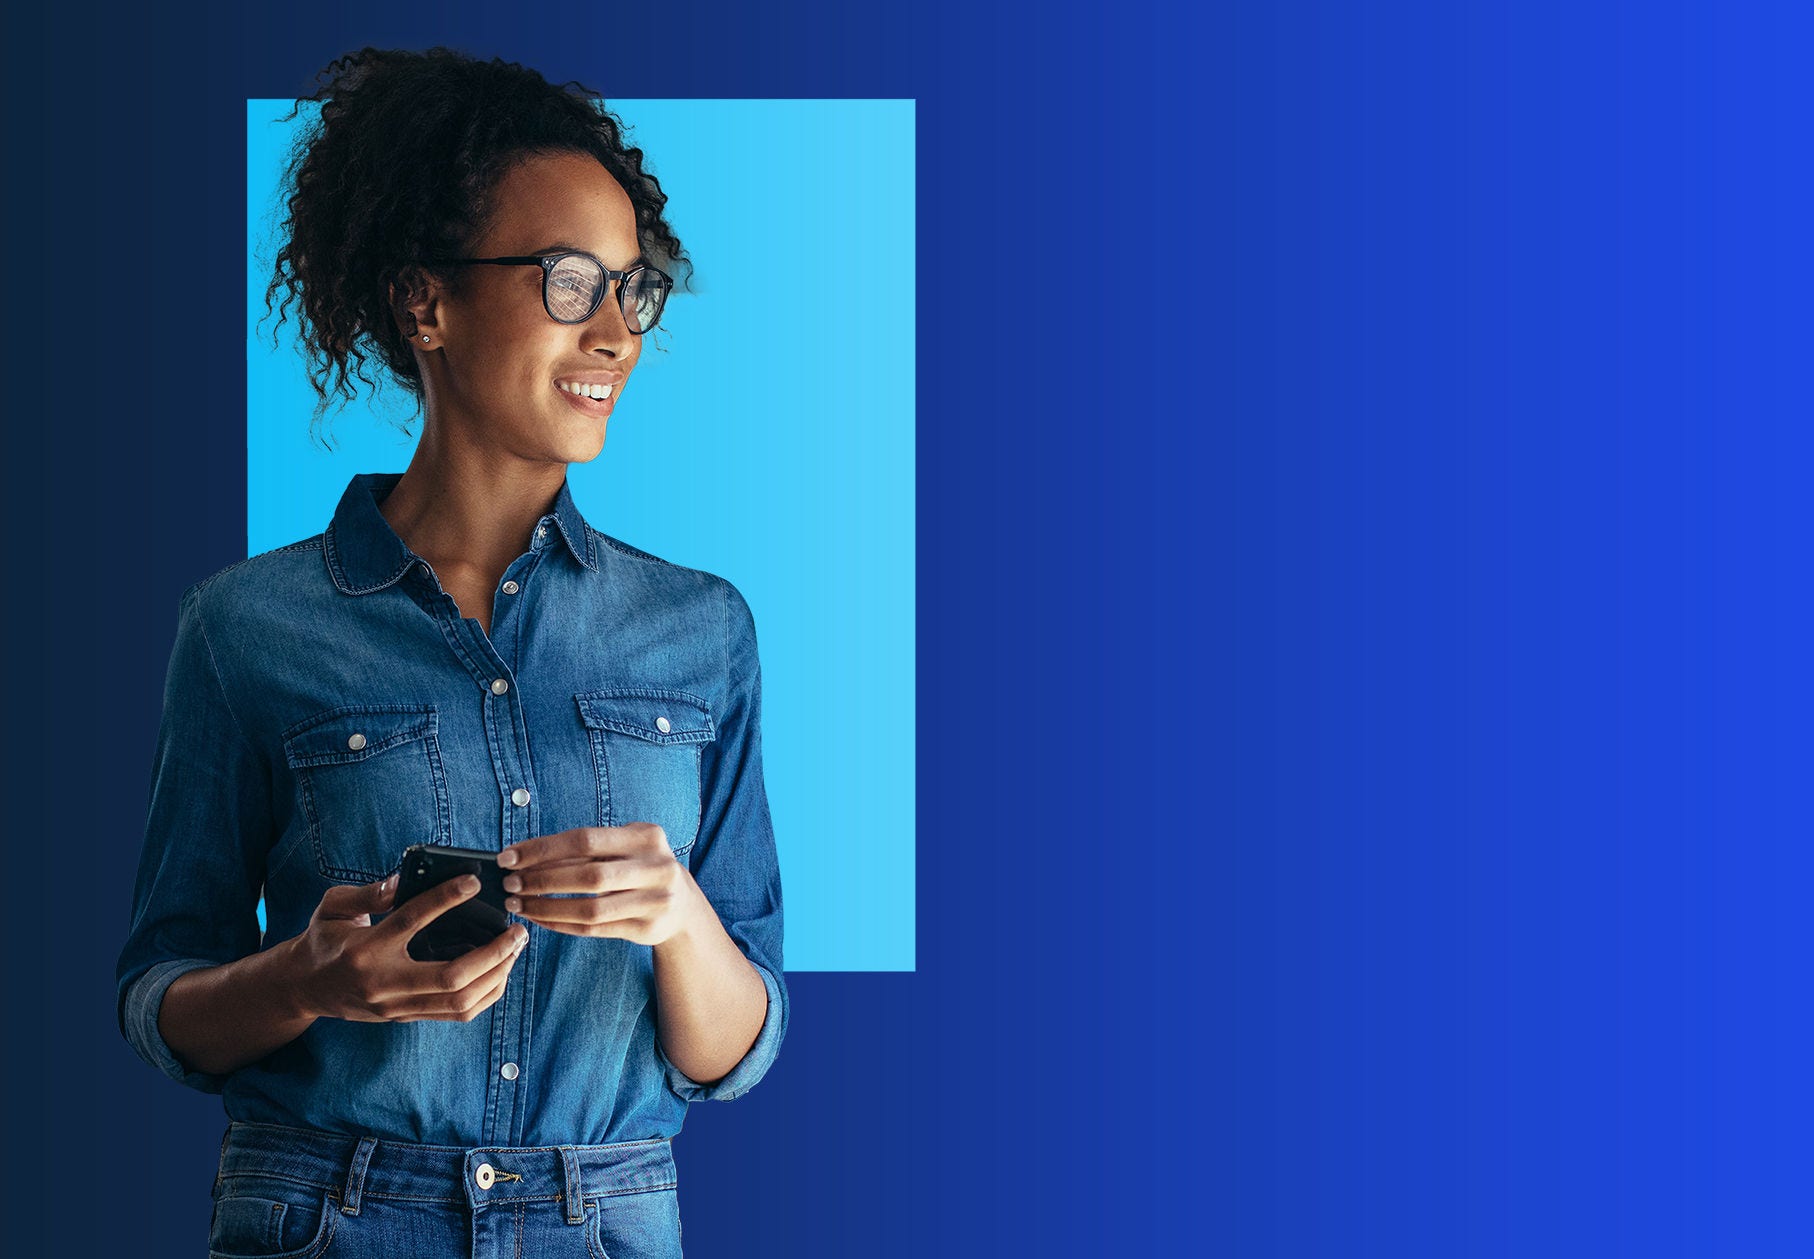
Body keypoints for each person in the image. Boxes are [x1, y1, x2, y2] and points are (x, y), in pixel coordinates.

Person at [114, 46, 787, 1258]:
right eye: (571, 281)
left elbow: (732, 1050)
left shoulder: (703, 629)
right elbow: (165, 1001)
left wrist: (680, 916)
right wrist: (309, 979)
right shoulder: (244, 627)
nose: (616, 334)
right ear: (425, 302)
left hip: (605, 1221)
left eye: (635, 291)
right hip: (327, 1215)